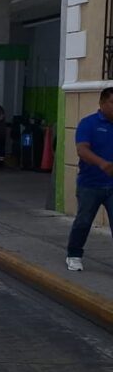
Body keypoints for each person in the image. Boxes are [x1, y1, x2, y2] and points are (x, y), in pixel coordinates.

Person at [65, 87, 113, 271]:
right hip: (90, 184)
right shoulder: (88, 123)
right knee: (84, 221)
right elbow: (82, 149)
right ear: (102, 103)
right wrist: (102, 164)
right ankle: (74, 255)